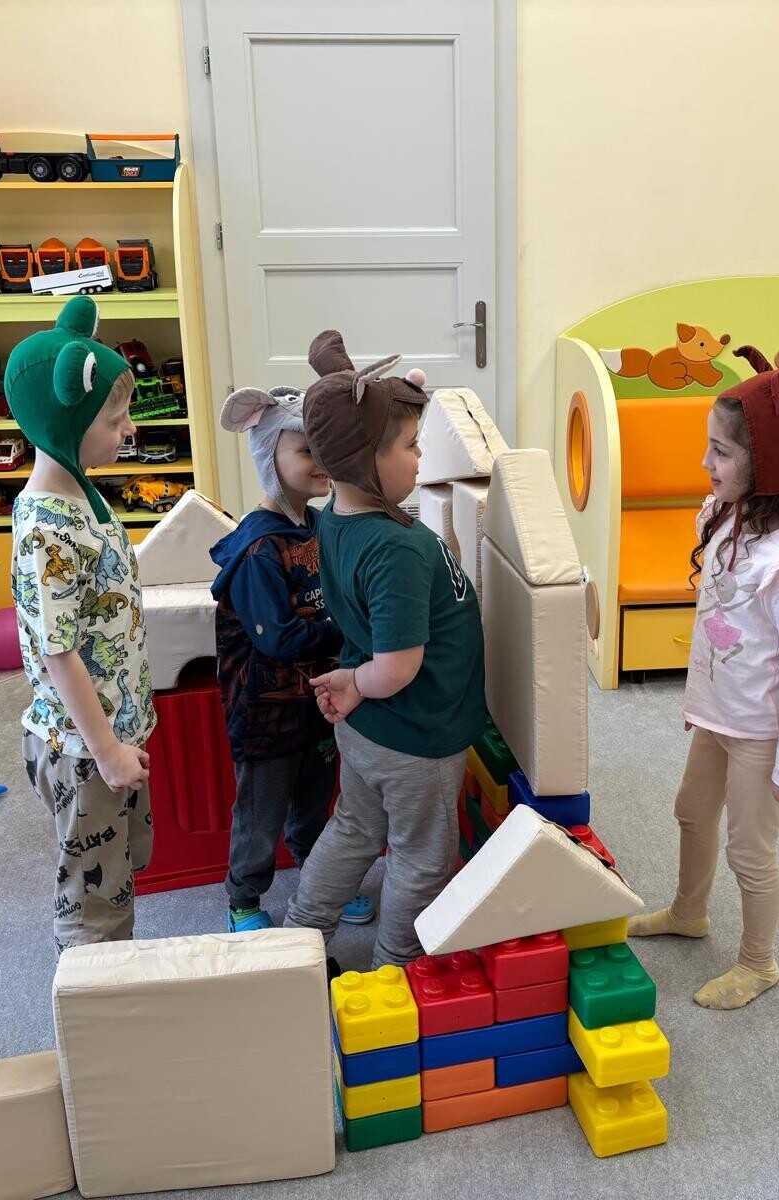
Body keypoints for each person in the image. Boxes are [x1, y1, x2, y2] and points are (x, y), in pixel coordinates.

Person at [629, 345, 779, 1010]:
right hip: (719, 715)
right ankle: (688, 912)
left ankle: (759, 963)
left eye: (720, 451)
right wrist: (700, 703)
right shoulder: (723, 518)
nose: (706, 462)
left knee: (749, 852)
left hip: (760, 732)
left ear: (765, 461)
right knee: (691, 812)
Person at [283, 330, 486, 968]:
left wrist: (355, 683)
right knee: (421, 857)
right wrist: (355, 682)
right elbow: (398, 667)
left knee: (354, 827)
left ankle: (299, 936)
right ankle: (397, 965)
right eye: (410, 445)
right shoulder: (396, 547)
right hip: (414, 735)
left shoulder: (335, 519)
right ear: (365, 459)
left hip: (369, 727)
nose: (421, 456)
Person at [5, 295, 155, 951]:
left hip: (108, 734)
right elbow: (59, 653)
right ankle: (95, 993)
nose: (128, 430)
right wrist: (107, 750)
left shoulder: (79, 491)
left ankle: (113, 979)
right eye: (115, 420)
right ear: (66, 423)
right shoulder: (50, 531)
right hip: (83, 749)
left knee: (117, 872)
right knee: (93, 902)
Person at [210, 384, 373, 932]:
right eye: (305, 450)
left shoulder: (318, 525)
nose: (320, 461)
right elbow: (276, 639)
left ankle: (319, 878)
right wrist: (346, 628)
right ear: (268, 458)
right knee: (261, 812)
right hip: (266, 714)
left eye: (323, 449)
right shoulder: (259, 549)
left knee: (314, 801)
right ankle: (243, 899)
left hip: (317, 702)